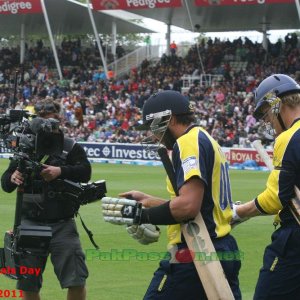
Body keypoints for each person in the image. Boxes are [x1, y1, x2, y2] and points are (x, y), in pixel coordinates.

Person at [103, 90, 241, 299]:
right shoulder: (204, 138)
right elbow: (201, 205)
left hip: (197, 248)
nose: (154, 135)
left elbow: (188, 206)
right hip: (222, 246)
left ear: (171, 119)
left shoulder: (187, 143)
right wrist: (148, 201)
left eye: (154, 127)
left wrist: (141, 216)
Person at [1, 99, 91, 300]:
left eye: (51, 122)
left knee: (76, 279)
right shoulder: (25, 147)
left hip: (63, 223)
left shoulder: (69, 147)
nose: (47, 127)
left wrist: (60, 171)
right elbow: (6, 184)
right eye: (42, 122)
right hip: (30, 222)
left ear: (59, 120)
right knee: (28, 284)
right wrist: (14, 176)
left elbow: (86, 172)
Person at [232, 74, 300, 299]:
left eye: (267, 114)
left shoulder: (289, 138)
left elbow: (275, 198)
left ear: (277, 104)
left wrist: (238, 212)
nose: (268, 121)